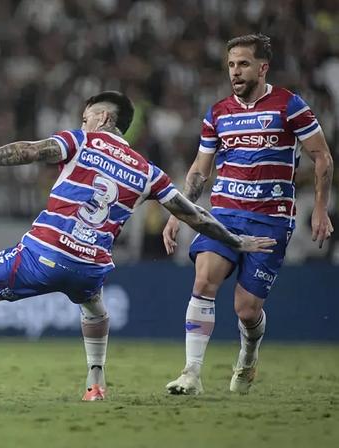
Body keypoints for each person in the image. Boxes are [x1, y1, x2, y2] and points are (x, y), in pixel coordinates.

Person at [0, 91, 276, 402]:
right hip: (91, 265)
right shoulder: (148, 172)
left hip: (43, 253)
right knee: (94, 308)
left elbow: (31, 150)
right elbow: (195, 215)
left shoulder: (83, 141)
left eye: (87, 116)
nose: (82, 122)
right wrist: (236, 240)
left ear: (103, 119)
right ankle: (96, 383)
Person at [162, 34, 334, 395]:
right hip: (223, 214)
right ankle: (191, 373)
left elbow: (322, 155)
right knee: (203, 281)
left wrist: (320, 208)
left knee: (246, 309)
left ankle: (248, 355)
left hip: (270, 218)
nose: (235, 72)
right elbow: (199, 170)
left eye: (242, 64)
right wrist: (178, 212)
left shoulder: (290, 106)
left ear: (262, 67)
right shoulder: (218, 113)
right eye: (230, 65)